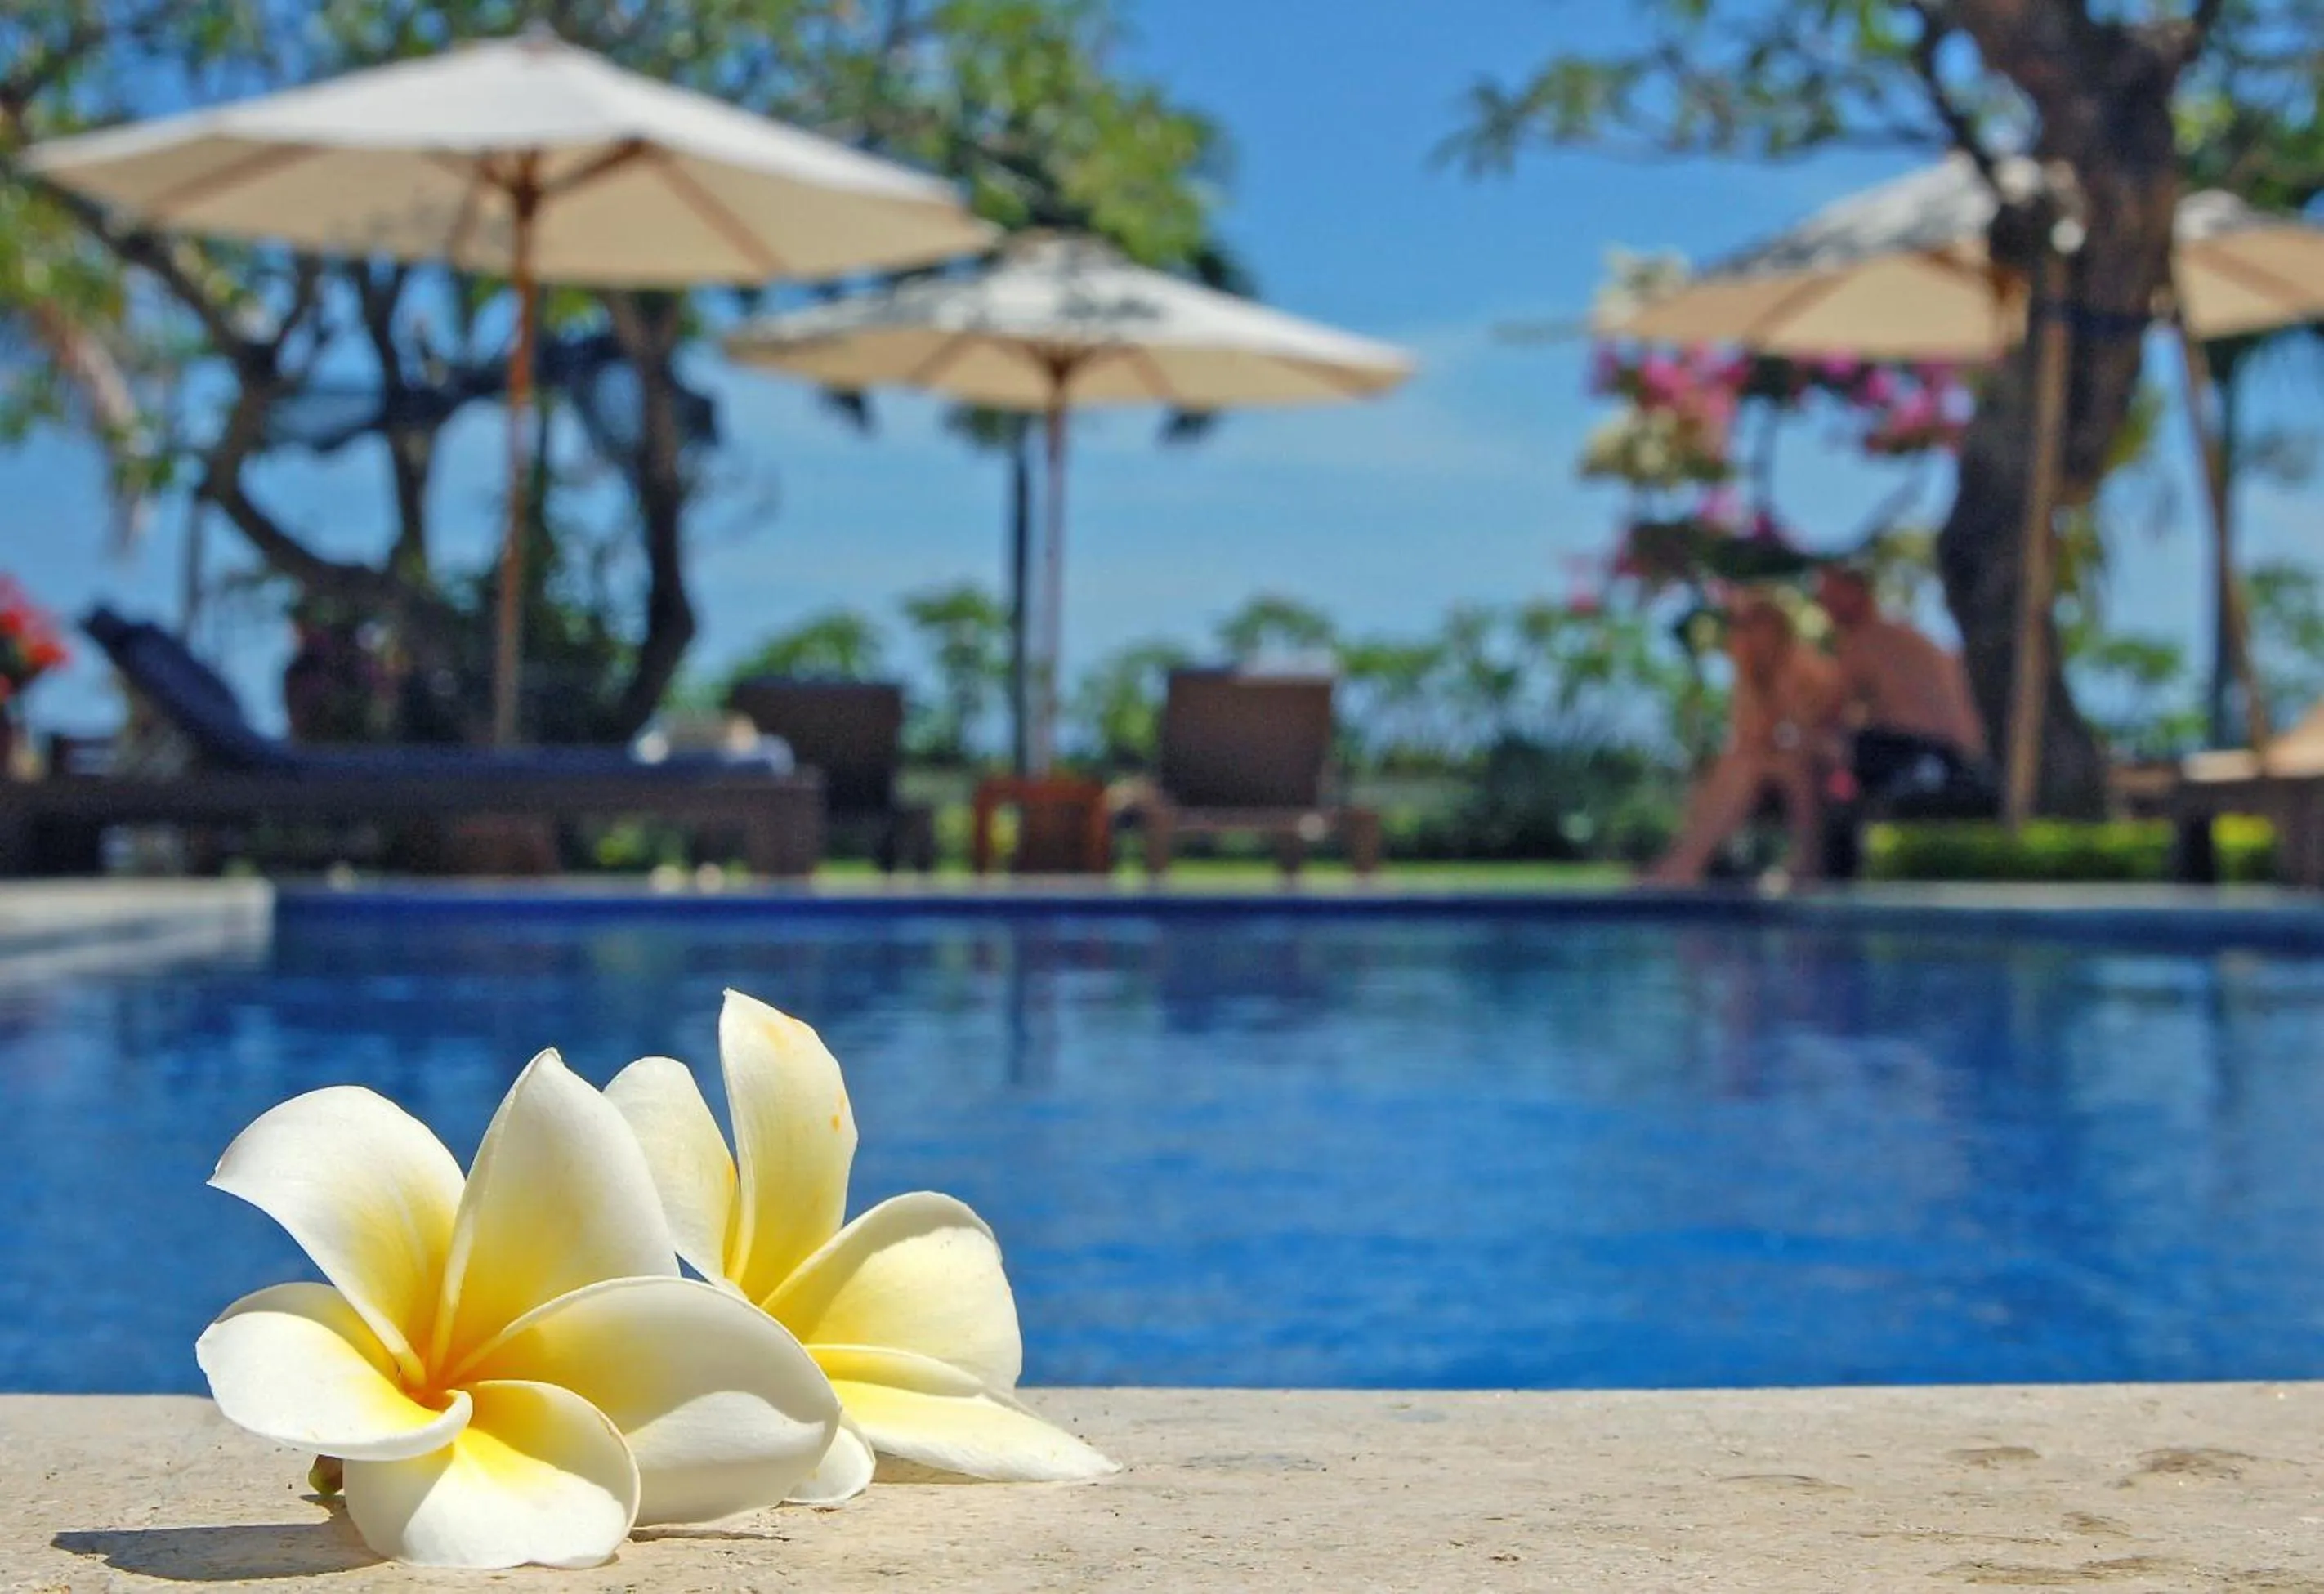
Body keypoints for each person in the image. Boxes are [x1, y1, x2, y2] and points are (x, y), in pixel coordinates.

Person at [1646, 596, 1841, 886]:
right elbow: (1749, 736)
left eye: (1756, 626)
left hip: (1834, 760)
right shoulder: (1752, 676)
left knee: (1786, 764)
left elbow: (1816, 726)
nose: (1748, 634)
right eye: (1743, 627)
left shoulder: (1804, 665)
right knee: (1735, 763)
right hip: (1781, 756)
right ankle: (1688, 857)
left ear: (1778, 629)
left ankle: (1806, 860)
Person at [1813, 565, 1991, 806]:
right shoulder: (1907, 631)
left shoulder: (1861, 639)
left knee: (1825, 749)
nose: (1826, 607)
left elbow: (1831, 712)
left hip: (1919, 751)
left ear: (1856, 590)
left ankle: (1825, 837)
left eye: (1830, 596)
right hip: (1962, 756)